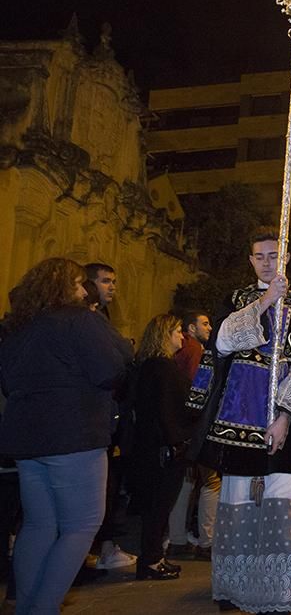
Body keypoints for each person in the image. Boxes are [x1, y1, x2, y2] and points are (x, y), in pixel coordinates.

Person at [188, 227, 291, 613]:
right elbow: (221, 342)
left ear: (285, 258)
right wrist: (264, 302)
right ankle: (237, 589)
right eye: (260, 256)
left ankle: (281, 593)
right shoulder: (236, 299)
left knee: (286, 505)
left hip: (290, 420)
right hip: (239, 418)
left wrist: (286, 417)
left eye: (274, 255)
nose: (268, 262)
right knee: (239, 504)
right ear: (251, 260)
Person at [0, 258, 129, 613]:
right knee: (81, 526)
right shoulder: (80, 320)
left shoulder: (18, 327)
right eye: (77, 283)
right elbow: (112, 369)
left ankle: (26, 606)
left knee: (39, 524)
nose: (82, 289)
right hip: (75, 434)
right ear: (64, 286)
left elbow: (8, 382)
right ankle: (43, 608)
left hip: (28, 440)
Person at [132, 314, 194, 581]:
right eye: (178, 331)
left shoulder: (148, 366)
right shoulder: (164, 369)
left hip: (149, 446)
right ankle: (152, 560)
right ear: (164, 335)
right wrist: (177, 442)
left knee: (155, 508)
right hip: (164, 449)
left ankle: (153, 556)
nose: (182, 336)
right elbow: (168, 410)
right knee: (159, 506)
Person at [83, 261, 136, 572]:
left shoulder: (101, 317)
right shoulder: (88, 320)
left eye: (114, 281)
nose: (112, 287)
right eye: (105, 281)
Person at [166, 310, 219, 562]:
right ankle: (207, 541)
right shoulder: (196, 350)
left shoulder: (179, 351)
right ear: (191, 328)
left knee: (186, 481)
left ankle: (177, 539)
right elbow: (200, 388)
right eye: (204, 324)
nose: (209, 328)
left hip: (181, 426)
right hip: (197, 425)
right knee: (211, 481)